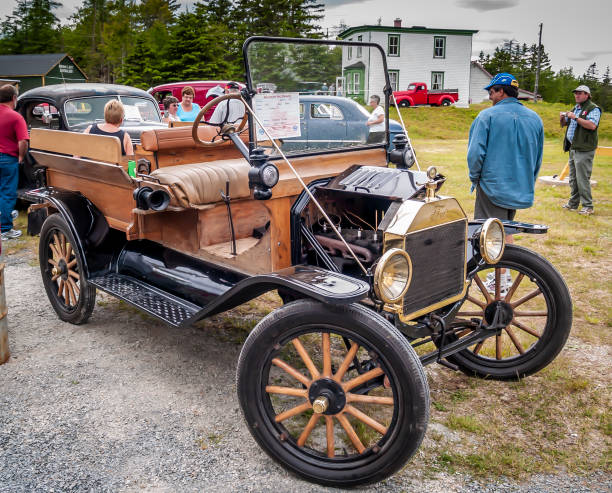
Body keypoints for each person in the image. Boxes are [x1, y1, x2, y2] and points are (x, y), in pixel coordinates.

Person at [467, 73, 544, 293]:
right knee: (505, 228)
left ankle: (500, 277)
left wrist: (476, 179)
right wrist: (528, 180)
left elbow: (475, 155)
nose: (490, 96)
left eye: (491, 92)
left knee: (490, 233)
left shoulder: (486, 116)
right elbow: (538, 158)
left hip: (492, 186)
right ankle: (504, 274)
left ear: (501, 91)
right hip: (520, 186)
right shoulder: (534, 118)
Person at [559, 85, 601, 215]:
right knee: (573, 178)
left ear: (587, 95)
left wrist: (575, 118)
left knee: (582, 178)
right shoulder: (576, 108)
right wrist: (563, 117)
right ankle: (573, 204)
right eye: (575, 93)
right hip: (574, 147)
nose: (577, 95)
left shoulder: (593, 108)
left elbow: (592, 125)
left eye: (580, 93)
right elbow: (564, 124)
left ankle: (588, 206)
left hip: (584, 148)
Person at [0, 84, 29, 241]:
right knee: (7, 194)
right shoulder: (15, 117)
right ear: (13, 98)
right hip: (7, 158)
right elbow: (23, 141)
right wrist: (21, 156)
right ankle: (5, 229)